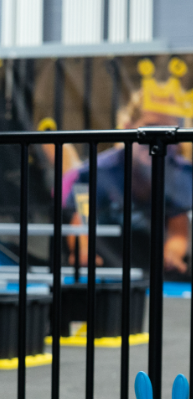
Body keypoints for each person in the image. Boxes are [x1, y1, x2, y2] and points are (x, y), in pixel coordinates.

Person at [62, 91, 191, 277]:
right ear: (127, 127)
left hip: (151, 265)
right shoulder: (95, 172)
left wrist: (173, 254)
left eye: (168, 131)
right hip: (104, 262)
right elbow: (82, 220)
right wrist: (83, 250)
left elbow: (178, 229)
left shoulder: (182, 174)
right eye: (151, 127)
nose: (158, 139)